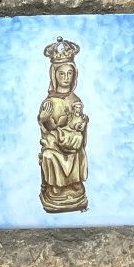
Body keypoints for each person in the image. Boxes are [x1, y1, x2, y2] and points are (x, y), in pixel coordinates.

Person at [38, 37, 88, 213]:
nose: (66, 78)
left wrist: (82, 124)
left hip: (72, 145)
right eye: (62, 73)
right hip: (55, 144)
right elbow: (46, 131)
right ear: (54, 74)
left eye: (69, 73)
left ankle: (74, 183)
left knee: (78, 149)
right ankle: (55, 187)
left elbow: (79, 124)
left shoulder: (76, 100)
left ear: (74, 74)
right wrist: (43, 120)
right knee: (49, 155)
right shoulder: (49, 101)